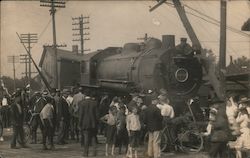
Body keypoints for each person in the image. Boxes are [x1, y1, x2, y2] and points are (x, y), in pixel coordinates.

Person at [78, 91, 99, 157]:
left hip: (85, 123)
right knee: (93, 137)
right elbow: (97, 115)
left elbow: (81, 114)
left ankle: (86, 153)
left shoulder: (82, 103)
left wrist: (79, 123)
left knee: (86, 138)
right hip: (93, 123)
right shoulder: (95, 103)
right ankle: (94, 152)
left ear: (84, 95)